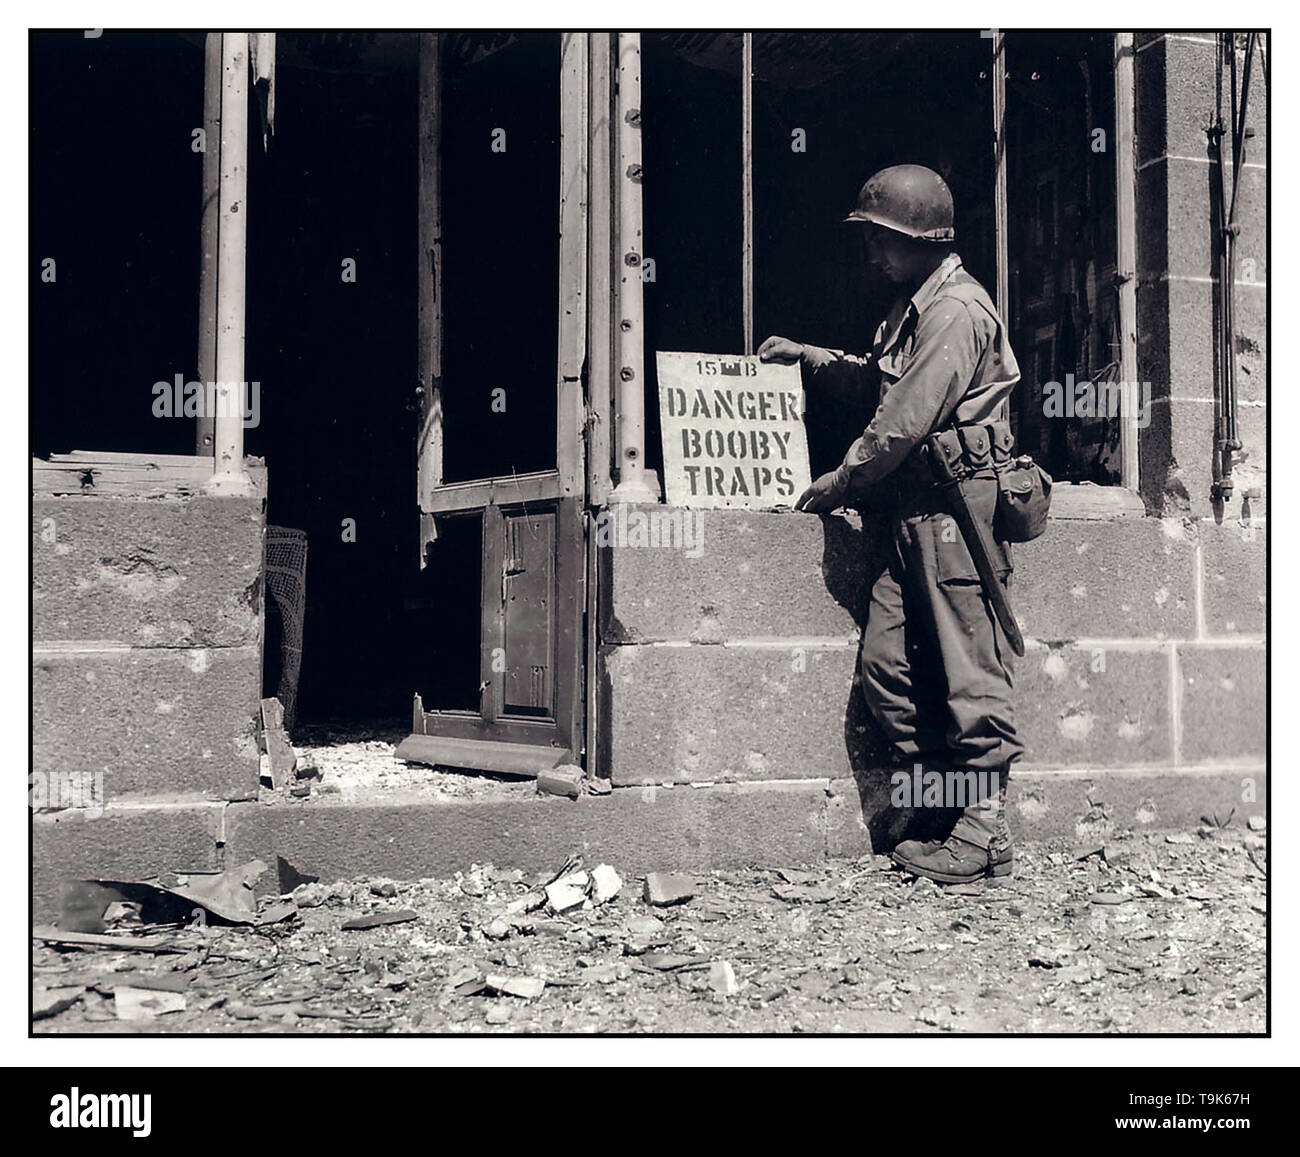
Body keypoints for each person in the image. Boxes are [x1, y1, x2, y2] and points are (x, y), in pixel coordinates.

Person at [759, 163, 1023, 883]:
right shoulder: (914, 308)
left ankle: (984, 832)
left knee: (969, 668)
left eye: (881, 238)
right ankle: (947, 811)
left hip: (954, 512)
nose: (871, 252)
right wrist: (809, 358)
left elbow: (901, 423)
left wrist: (840, 481)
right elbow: (879, 382)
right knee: (888, 666)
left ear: (921, 239)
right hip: (911, 512)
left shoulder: (957, 311)